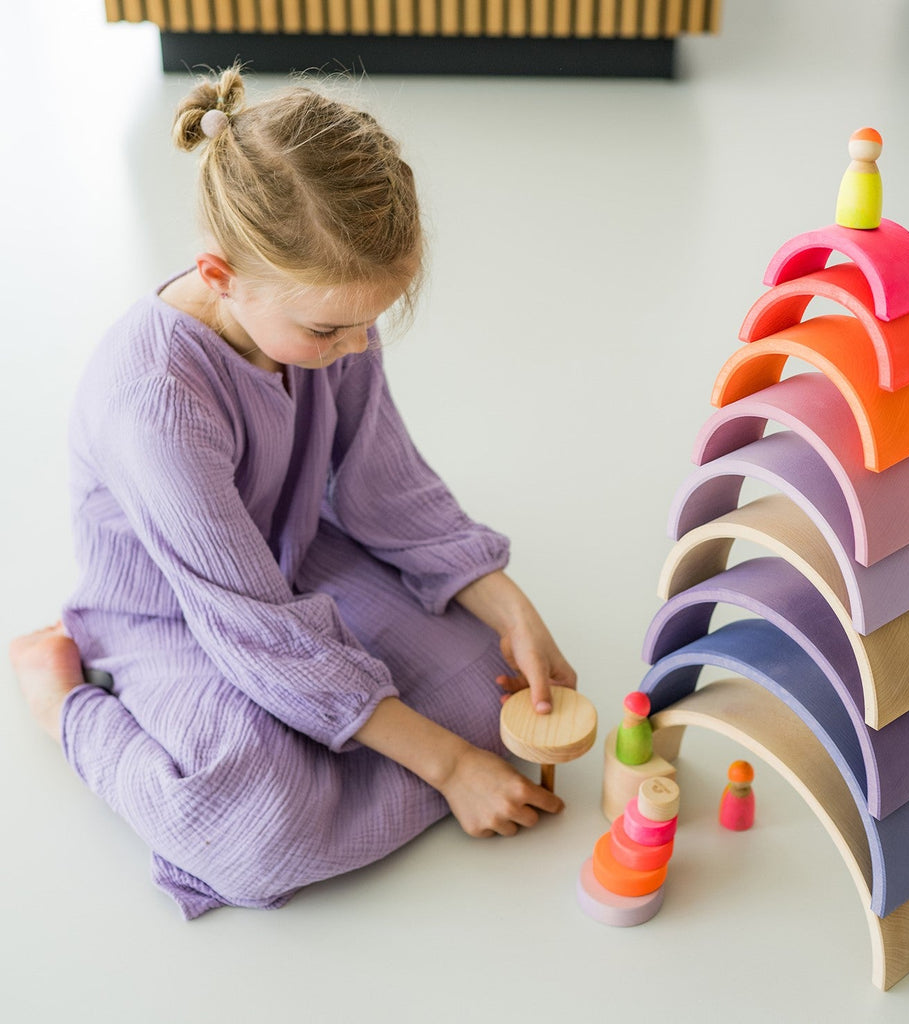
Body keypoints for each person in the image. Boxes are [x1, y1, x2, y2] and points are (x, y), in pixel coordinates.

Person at [9, 67, 576, 919]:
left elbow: (388, 484)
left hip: (297, 551)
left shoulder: (328, 324)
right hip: (178, 612)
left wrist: (512, 611)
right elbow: (252, 626)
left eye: (369, 322)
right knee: (259, 834)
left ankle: (365, 746)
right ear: (220, 273)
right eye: (329, 330)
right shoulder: (153, 403)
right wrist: (451, 767)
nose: (356, 346)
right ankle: (60, 703)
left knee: (493, 695)